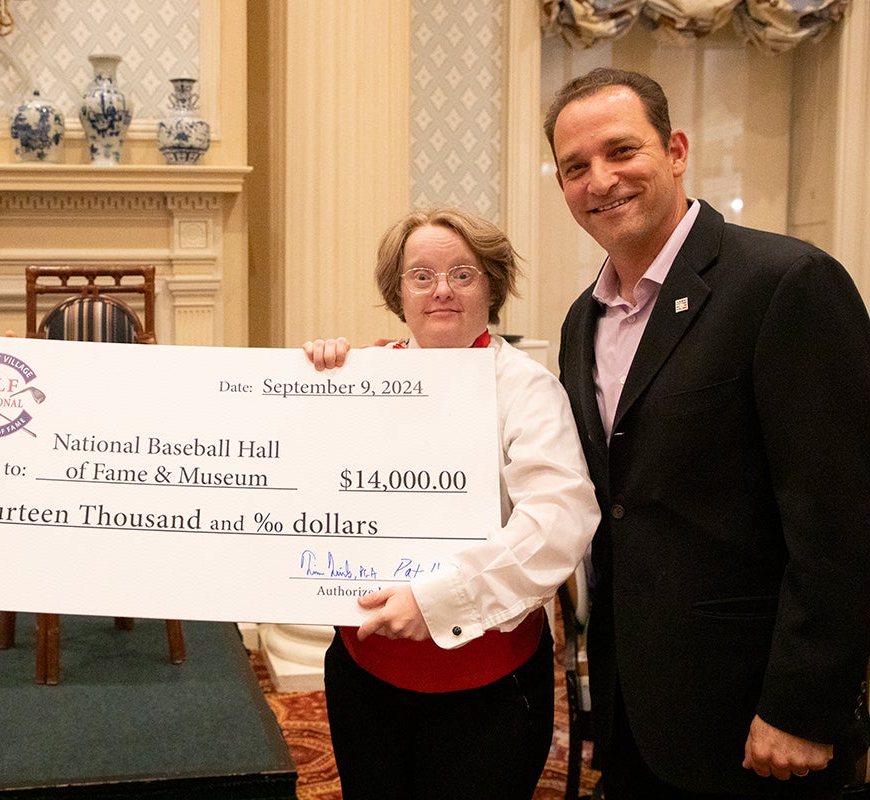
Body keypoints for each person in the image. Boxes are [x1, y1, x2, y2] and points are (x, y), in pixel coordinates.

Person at [545, 67, 870, 798]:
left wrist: (802, 708)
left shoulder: (787, 283)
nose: (600, 180)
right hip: (637, 718)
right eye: (575, 167)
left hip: (761, 725)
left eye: (621, 151)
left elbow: (843, 520)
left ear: (677, 149)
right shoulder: (579, 322)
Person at [303, 207, 600, 799]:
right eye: (421, 275)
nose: (442, 289)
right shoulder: (362, 374)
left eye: (463, 274)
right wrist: (312, 384)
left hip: (486, 684)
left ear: (491, 286)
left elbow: (558, 523)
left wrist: (439, 598)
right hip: (364, 672)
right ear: (398, 292)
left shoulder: (528, 388)